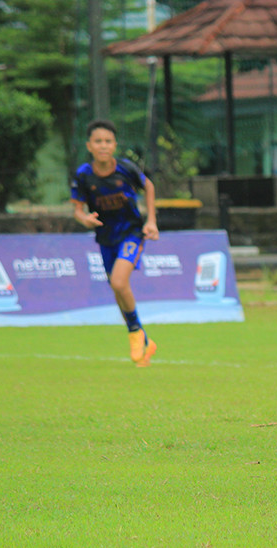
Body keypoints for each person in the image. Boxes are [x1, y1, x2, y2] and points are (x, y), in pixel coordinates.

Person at [71, 119, 160, 367]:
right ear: (89, 146)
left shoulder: (126, 169)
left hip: (131, 232)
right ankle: (144, 343)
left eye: (108, 141)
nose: (103, 146)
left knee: (120, 282)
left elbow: (148, 186)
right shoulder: (83, 175)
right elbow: (77, 210)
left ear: (114, 145)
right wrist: (84, 219)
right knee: (117, 290)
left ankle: (134, 332)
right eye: (98, 141)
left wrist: (151, 220)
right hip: (105, 238)